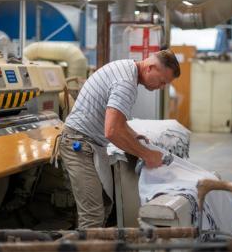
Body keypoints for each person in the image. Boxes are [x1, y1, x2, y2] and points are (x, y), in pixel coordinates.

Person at [58, 49, 180, 228]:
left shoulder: (127, 71)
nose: (161, 87)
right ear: (151, 68)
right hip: (79, 144)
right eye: (162, 82)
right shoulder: (126, 83)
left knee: (106, 205)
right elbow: (112, 131)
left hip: (91, 144)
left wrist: (132, 134)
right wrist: (147, 155)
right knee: (92, 215)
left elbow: (118, 121)